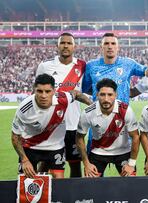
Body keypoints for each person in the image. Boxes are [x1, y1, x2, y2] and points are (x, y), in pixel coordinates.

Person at [11, 74, 92, 179]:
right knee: (27, 183)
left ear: (54, 91)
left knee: (59, 181)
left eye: (48, 91)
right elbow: (15, 137)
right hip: (30, 147)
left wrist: (92, 105)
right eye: (40, 91)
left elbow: (76, 94)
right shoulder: (24, 109)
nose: (43, 95)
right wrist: (24, 160)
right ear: (34, 90)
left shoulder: (62, 99)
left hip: (55, 147)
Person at [36, 32, 85, 177]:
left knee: (75, 165)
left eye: (69, 43)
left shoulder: (81, 66)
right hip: (51, 125)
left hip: (73, 125)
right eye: (62, 43)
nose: (65, 45)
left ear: (74, 47)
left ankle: (76, 198)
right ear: (57, 46)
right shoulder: (45, 66)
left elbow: (84, 90)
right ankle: (38, 194)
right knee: (45, 164)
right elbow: (37, 94)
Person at [76, 78, 140, 177]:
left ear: (116, 95)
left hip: (123, 151)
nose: (106, 99)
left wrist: (131, 164)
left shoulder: (126, 110)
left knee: (131, 183)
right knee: (91, 185)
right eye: (102, 94)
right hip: (98, 152)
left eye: (110, 95)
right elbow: (79, 137)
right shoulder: (88, 112)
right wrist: (86, 163)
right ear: (97, 95)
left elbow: (135, 136)